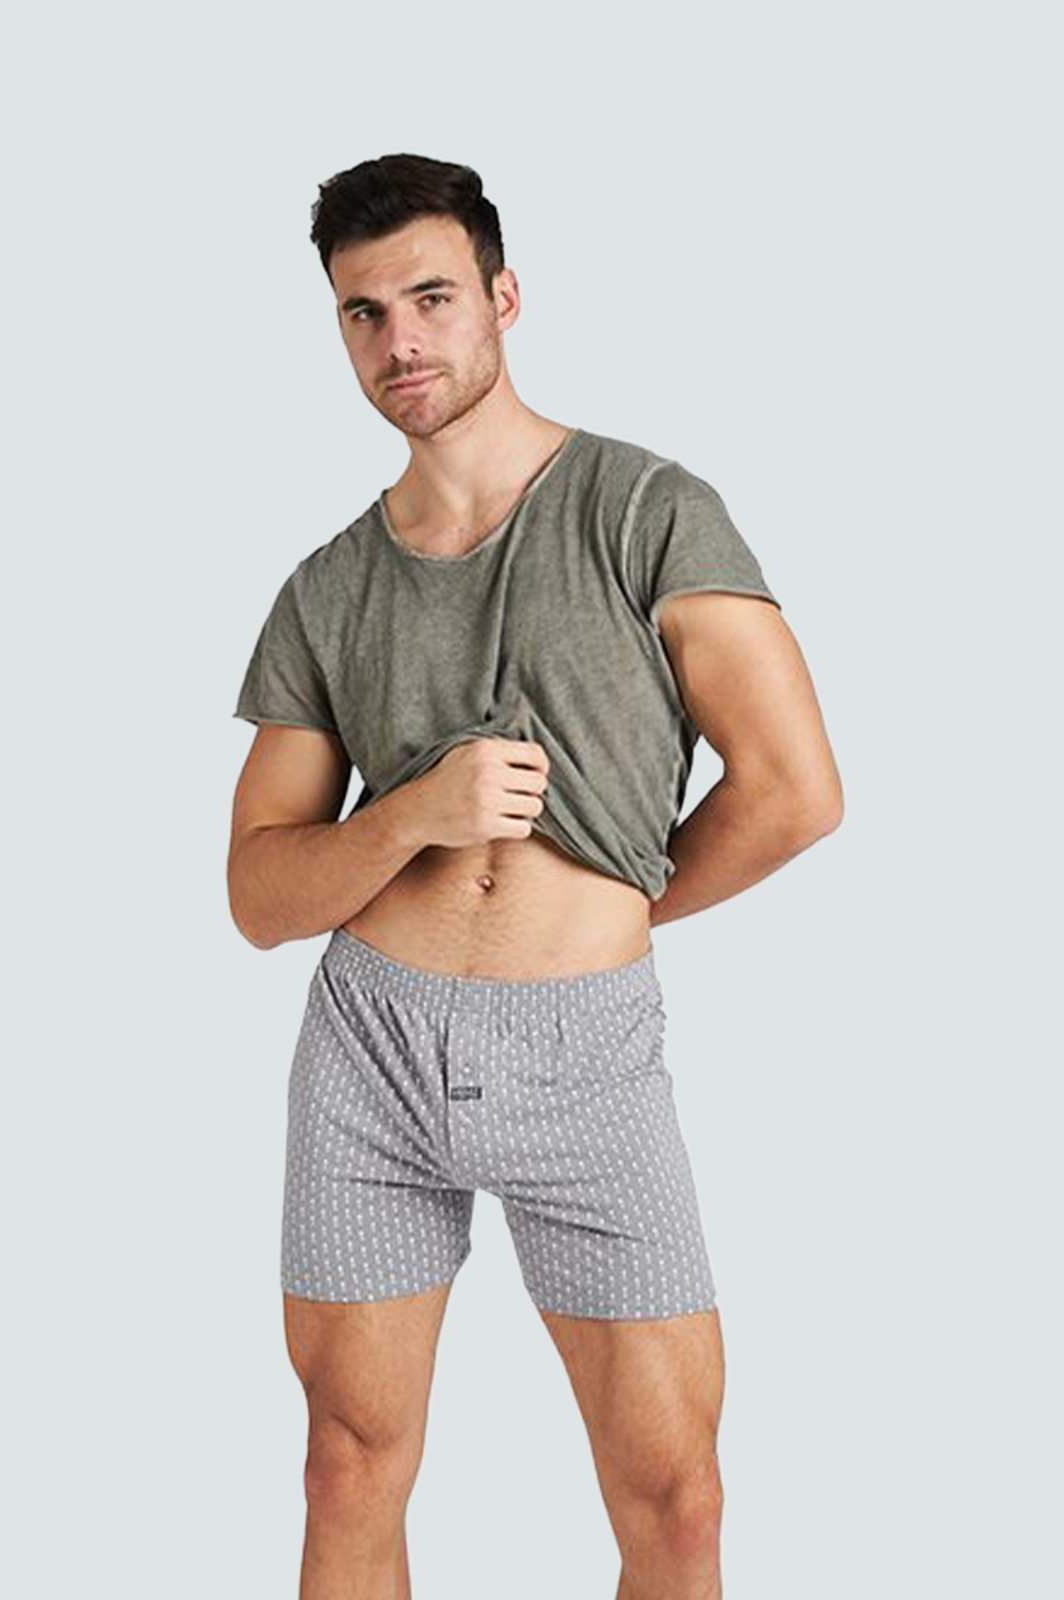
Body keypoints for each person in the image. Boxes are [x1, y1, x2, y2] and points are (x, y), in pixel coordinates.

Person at [227, 152, 843, 1600]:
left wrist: (621, 903)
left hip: (588, 1050)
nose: (401, 342)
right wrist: (412, 819)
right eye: (364, 313)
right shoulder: (328, 587)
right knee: (347, 1463)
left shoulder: (646, 510)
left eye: (432, 298)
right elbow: (257, 895)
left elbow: (797, 791)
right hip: (373, 1048)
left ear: (504, 297)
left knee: (676, 1497)